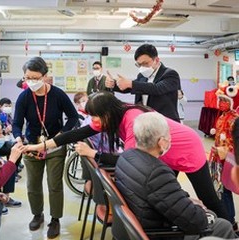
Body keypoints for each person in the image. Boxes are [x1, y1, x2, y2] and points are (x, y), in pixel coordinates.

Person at [25, 92, 230, 222]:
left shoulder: (133, 121)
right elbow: (75, 134)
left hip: (185, 149)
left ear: (106, 113)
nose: (93, 121)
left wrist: (93, 153)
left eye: (95, 116)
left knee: (208, 197)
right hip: (160, 151)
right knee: (165, 195)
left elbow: (132, 161)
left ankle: (228, 228)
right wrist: (42, 145)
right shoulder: (109, 116)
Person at [115, 112, 236, 239]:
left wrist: (185, 199)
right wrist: (202, 212)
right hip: (160, 231)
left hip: (141, 220)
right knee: (223, 225)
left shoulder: (126, 157)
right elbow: (194, 221)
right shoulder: (157, 173)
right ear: (161, 142)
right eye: (169, 135)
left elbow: (167, 197)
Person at [12, 56, 78, 239]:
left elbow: (73, 117)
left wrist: (61, 135)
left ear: (45, 76)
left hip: (55, 147)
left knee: (54, 185)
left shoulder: (57, 94)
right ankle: (37, 214)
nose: (31, 81)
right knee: (33, 184)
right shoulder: (24, 97)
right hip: (32, 146)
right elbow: (16, 123)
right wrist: (18, 138)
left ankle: (55, 219)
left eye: (35, 77)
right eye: (27, 78)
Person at [107, 44, 181, 122]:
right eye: (139, 65)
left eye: (145, 63)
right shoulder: (142, 75)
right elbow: (130, 87)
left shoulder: (170, 74)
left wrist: (130, 83)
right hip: (145, 120)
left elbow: (157, 88)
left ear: (157, 60)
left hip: (165, 121)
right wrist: (113, 84)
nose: (142, 68)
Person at [208, 83, 239, 231]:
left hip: (229, 160)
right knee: (220, 189)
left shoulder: (234, 119)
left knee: (226, 189)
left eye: (225, 100)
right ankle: (227, 218)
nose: (221, 103)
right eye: (220, 100)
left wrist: (227, 150)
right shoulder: (222, 116)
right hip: (218, 159)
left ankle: (230, 221)